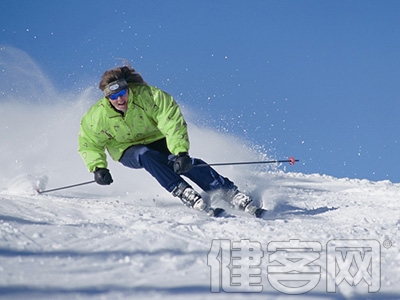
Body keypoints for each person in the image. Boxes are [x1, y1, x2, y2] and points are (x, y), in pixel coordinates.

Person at [78, 65, 261, 217]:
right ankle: (182, 190)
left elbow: (171, 121)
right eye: (113, 97)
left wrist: (181, 152)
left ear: (128, 89)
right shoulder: (97, 116)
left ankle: (228, 191)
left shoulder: (148, 96)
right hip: (127, 149)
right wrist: (98, 167)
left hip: (158, 138)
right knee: (145, 155)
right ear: (107, 98)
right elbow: (89, 142)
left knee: (178, 163)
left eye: (123, 93)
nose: (120, 99)